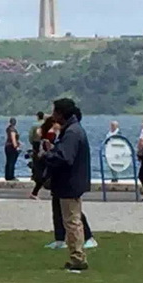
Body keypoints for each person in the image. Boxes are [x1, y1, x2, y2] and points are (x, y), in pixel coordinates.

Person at [43, 98, 91, 272]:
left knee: (72, 221)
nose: (53, 115)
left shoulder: (71, 133)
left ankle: (78, 258)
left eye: (55, 112)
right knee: (72, 219)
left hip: (69, 182)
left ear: (61, 114)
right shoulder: (74, 129)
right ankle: (76, 256)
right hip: (73, 181)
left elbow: (65, 157)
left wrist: (48, 155)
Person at [29, 117, 58, 199]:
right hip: (47, 154)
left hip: (42, 155)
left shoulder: (42, 130)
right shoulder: (51, 132)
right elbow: (49, 143)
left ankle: (35, 193)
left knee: (44, 176)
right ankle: (54, 193)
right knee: (49, 175)